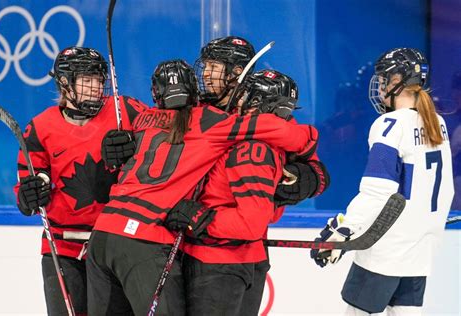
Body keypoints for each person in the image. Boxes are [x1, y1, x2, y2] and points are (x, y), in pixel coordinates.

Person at [87, 59, 319, 315]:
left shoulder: (141, 118)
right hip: (146, 236)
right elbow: (271, 127)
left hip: (102, 234)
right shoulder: (211, 120)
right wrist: (309, 142)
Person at [172, 69, 329, 316]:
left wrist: (201, 218)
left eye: (246, 96)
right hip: (246, 258)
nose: (240, 101)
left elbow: (251, 221)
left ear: (258, 102)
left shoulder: (250, 146)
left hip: (216, 260)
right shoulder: (276, 142)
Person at [310, 48, 454, 316]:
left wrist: (344, 231)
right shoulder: (437, 122)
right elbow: (446, 190)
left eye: (384, 79)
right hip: (421, 249)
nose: (380, 87)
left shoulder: (389, 124)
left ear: (398, 80)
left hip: (387, 248)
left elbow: (378, 191)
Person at [14, 46, 147, 315]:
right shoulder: (39, 128)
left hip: (114, 247)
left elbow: (163, 137)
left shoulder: (125, 111)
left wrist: (135, 144)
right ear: (65, 83)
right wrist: (29, 194)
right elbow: (29, 184)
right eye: (87, 80)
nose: (96, 87)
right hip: (63, 248)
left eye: (99, 79)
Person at [195, 35, 325, 208]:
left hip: (233, 221)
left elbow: (317, 171)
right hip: (192, 218)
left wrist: (310, 177)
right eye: (205, 66)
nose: (205, 73)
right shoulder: (194, 109)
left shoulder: (258, 109)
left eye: (213, 66)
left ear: (237, 71)